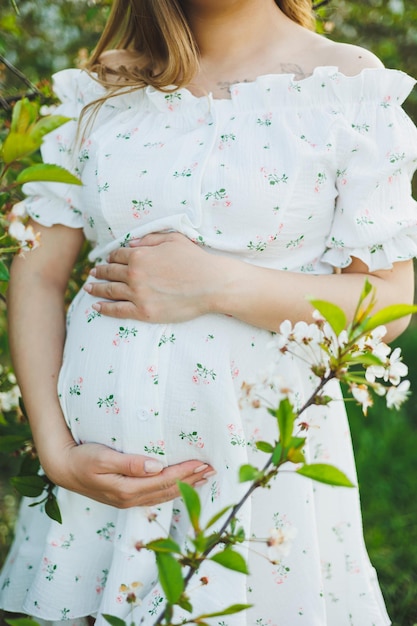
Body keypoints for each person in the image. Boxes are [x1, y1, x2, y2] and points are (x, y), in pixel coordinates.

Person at [1, 0, 417, 624]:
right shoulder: (99, 90)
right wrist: (57, 453)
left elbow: (387, 303)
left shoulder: (344, 88)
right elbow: (35, 272)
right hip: (97, 475)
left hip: (255, 472)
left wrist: (219, 285)